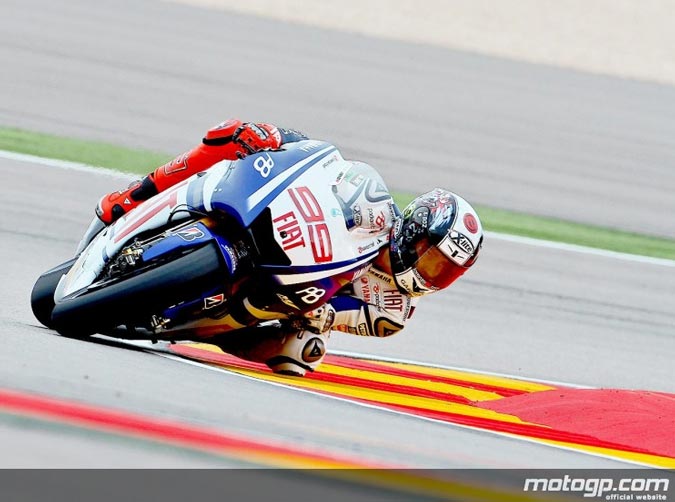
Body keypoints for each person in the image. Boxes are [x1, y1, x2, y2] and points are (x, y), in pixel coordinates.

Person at [95, 119, 484, 376]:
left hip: (298, 294)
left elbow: (341, 315)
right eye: (432, 259)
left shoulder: (392, 313)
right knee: (232, 135)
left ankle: (202, 331)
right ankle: (133, 196)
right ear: (415, 230)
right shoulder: (374, 200)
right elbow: (321, 167)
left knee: (304, 353)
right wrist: (281, 139)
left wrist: (323, 315)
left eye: (444, 272)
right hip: (289, 234)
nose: (431, 274)